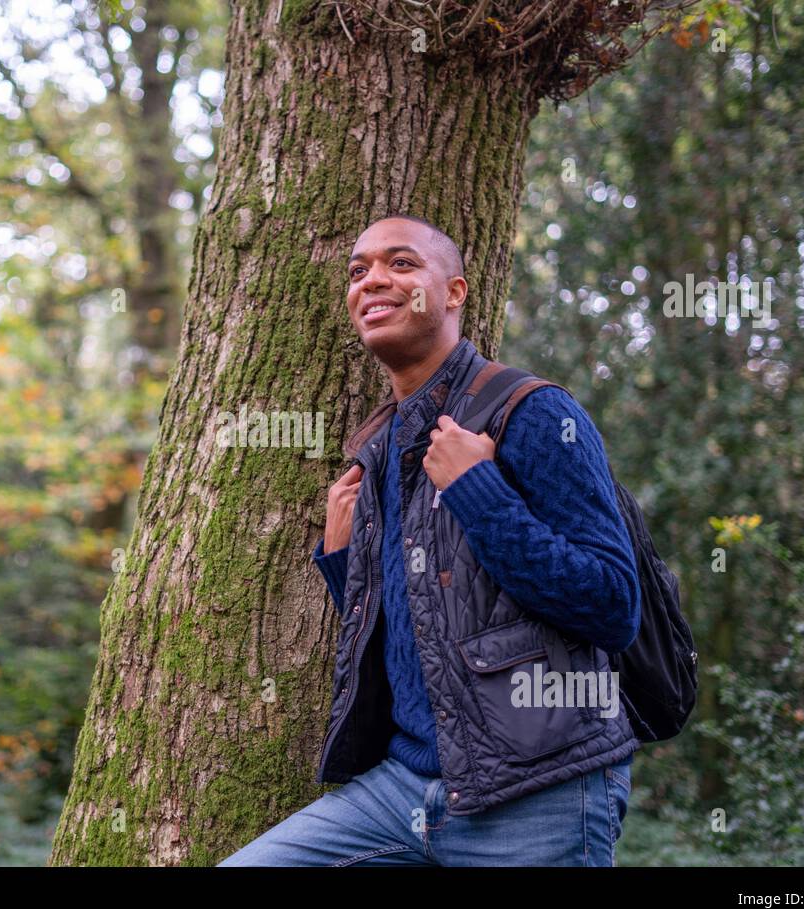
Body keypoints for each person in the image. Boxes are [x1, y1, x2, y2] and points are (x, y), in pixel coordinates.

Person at [218, 214, 640, 866]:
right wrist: (343, 560)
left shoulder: (533, 412)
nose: (372, 280)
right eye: (358, 270)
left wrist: (477, 487)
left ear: (454, 291)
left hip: (539, 791)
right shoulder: (384, 446)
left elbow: (614, 605)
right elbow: (431, 617)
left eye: (402, 263)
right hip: (403, 788)